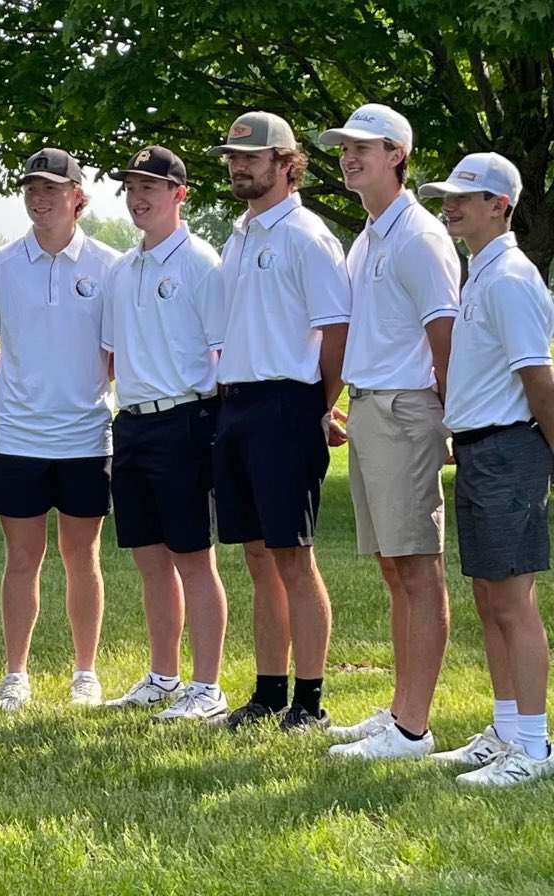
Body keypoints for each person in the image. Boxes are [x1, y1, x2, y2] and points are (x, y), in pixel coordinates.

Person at [319, 105, 460, 759]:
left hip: (406, 412)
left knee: (418, 569)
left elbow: (446, 339)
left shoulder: (419, 238)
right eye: (345, 148)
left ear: (397, 154)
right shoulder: (369, 235)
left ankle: (412, 730)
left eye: (363, 148)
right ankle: (403, 712)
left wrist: (449, 418)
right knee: (393, 569)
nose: (349, 157)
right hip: (374, 409)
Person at [207, 112, 351, 731]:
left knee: (294, 556)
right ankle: (268, 693)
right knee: (258, 557)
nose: (240, 167)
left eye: (254, 157)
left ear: (286, 163)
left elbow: (338, 331)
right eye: (234, 158)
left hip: (287, 404)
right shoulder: (238, 236)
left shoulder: (307, 236)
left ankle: (310, 702)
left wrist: (316, 406)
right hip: (236, 405)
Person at [418, 153, 554, 785]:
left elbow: (540, 379)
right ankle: (504, 732)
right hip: (478, 448)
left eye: (465, 197)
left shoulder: (510, 278)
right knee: (488, 594)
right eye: (447, 195)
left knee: (513, 599)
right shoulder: (481, 274)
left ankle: (533, 746)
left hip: (508, 450)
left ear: (502, 204)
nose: (451, 204)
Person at [0, 148, 120, 710]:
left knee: (83, 557)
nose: (40, 198)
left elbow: (115, 350)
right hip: (18, 438)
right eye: (32, 188)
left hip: (85, 436)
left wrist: (82, 387)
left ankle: (85, 673)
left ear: (77, 196)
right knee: (22, 558)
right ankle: (16, 674)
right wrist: (22, 384)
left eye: (52, 189)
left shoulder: (110, 264)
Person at [100, 145, 230, 722]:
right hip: (131, 423)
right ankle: (163, 674)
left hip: (185, 419)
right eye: (132, 186)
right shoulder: (121, 270)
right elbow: (110, 355)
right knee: (150, 558)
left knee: (194, 558)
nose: (139, 197)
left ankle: (208, 687)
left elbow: (224, 355)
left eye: (151, 186)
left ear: (180, 194)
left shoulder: (202, 262)